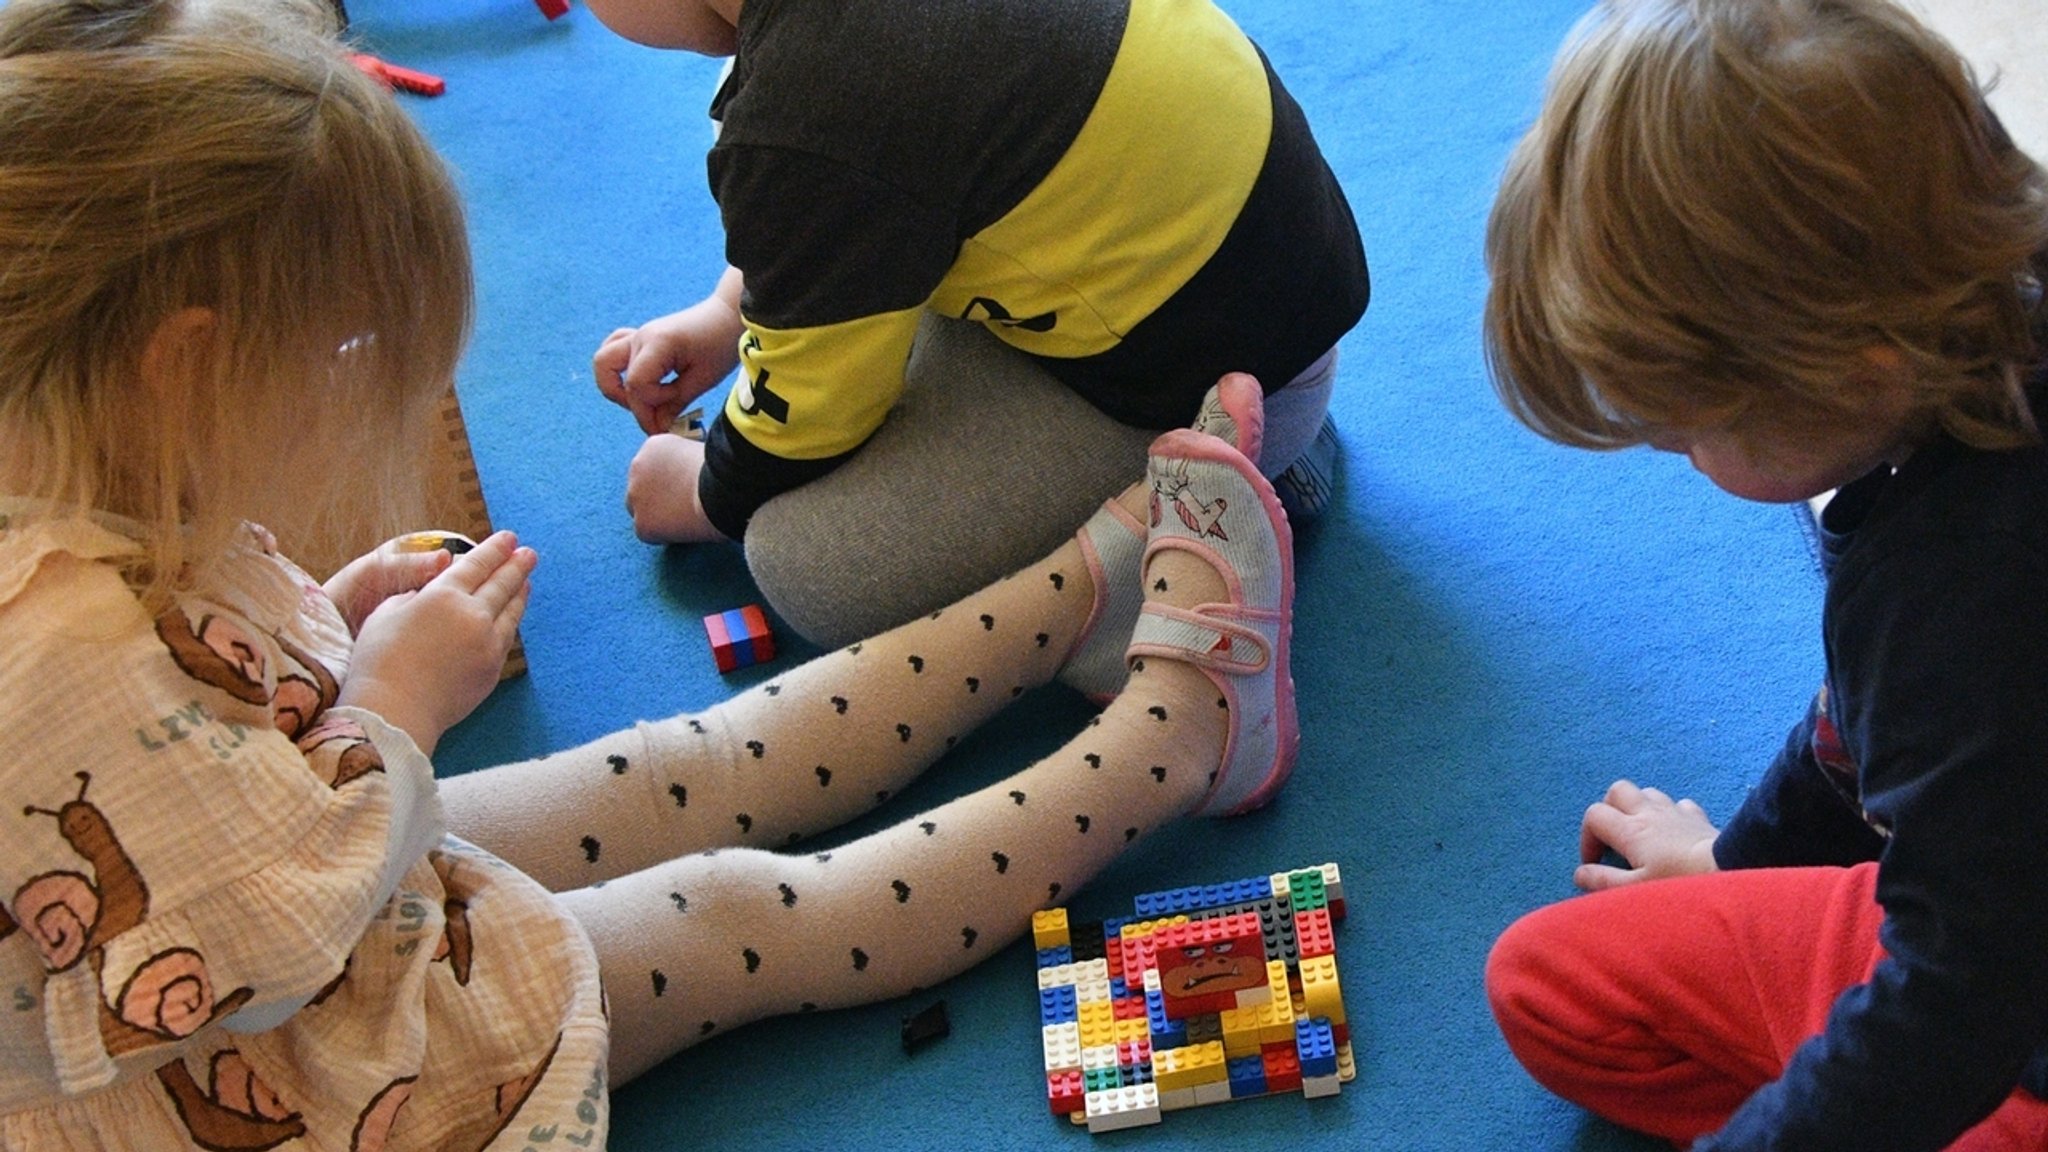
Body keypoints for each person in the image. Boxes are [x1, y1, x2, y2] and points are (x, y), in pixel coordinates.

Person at [0, 1, 1299, 1145]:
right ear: (182, 364)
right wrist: (388, 711)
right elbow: (246, 949)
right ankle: (1182, 742)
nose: (350, 389)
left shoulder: (81, 474)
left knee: (696, 758)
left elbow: (186, 739)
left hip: (327, 852)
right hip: (330, 1062)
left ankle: (1081, 582)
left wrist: (332, 636)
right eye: (334, 350)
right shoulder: (59, 650)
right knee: (741, 915)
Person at [1478, 0, 2048, 1148]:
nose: (1679, 460)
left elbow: (1958, 997)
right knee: (1547, 978)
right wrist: (1734, 865)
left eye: (1693, 431)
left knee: (1567, 1000)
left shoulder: (1957, 599)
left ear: (1854, 365)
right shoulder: (1977, 310)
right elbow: (1859, 722)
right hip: (1992, 915)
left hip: (2003, 1013)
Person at [582, 0, 1368, 670]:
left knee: (802, 562)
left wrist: (704, 495)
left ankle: (1211, 526)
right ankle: (1268, 451)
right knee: (785, 126)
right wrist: (731, 314)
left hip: (1205, 397)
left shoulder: (811, 107)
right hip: (1259, 291)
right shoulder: (816, 79)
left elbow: (807, 418)